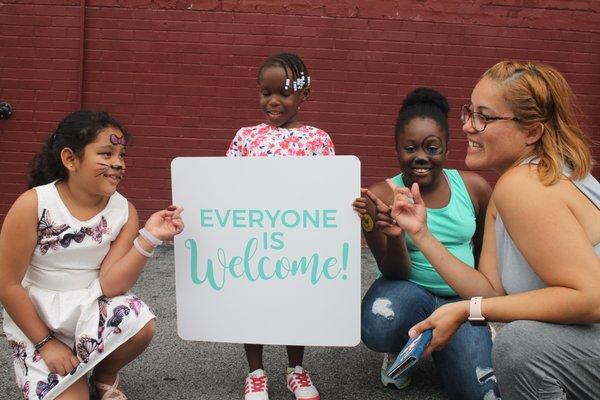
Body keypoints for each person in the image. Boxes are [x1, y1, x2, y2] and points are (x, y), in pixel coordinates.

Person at [390, 61, 600, 399]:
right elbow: (490, 290)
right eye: (469, 112)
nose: (468, 127)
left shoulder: (526, 186)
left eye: (484, 117)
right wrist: (422, 234)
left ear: (532, 131)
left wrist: (465, 309)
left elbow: (591, 298)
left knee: (521, 347)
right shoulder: (519, 181)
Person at [0, 110, 184, 400]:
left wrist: (149, 238)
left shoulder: (124, 211)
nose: (118, 164)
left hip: (87, 309)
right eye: (106, 153)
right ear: (70, 159)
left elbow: (111, 285)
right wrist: (47, 343)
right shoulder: (34, 204)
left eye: (122, 155)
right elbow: (7, 283)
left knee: (141, 324)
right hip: (38, 320)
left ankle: (103, 374)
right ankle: (66, 365)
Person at [353, 88, 499, 399]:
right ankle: (401, 348)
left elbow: (485, 255)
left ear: (447, 148)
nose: (421, 156)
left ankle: (450, 341)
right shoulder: (382, 195)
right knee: (378, 321)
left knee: (479, 391)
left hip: (459, 301)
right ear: (396, 149)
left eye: (432, 147)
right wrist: (395, 237)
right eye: (410, 148)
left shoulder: (474, 188)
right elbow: (393, 271)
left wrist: (481, 307)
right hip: (407, 290)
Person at [226, 52, 334, 400]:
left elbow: (328, 192)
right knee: (253, 302)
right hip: (253, 239)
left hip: (298, 240)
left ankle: (295, 369)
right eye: (265, 92)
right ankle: (255, 372)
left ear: (304, 94)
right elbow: (224, 186)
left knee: (295, 302)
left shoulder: (318, 140)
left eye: (283, 93)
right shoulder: (245, 137)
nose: (273, 101)